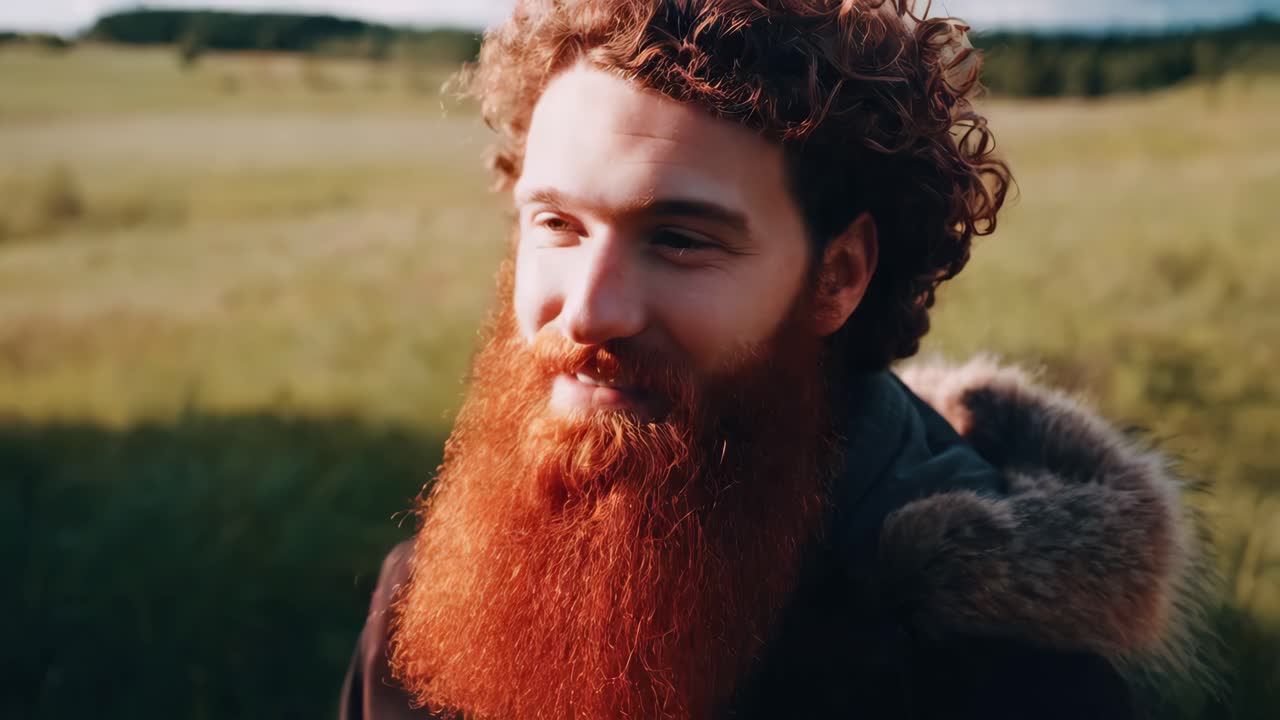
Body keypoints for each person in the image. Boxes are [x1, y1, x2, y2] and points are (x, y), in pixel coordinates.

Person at [341, 1, 1214, 718]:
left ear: (837, 276)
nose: (589, 310)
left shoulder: (998, 681)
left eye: (680, 240)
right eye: (557, 224)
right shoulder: (436, 600)